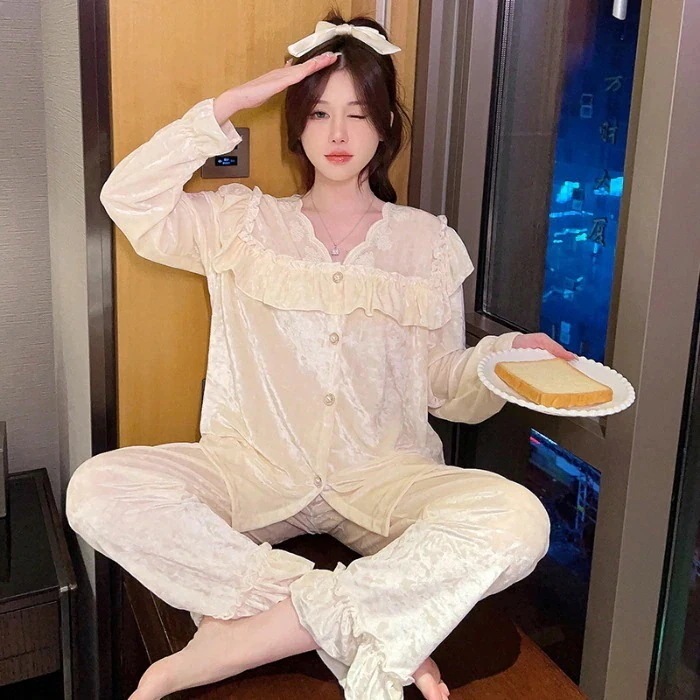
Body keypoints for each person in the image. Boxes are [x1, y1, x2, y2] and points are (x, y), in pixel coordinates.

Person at [67, 11, 574, 700]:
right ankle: (363, 624)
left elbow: (440, 386)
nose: (338, 134)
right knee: (97, 488)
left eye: (358, 114)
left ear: (384, 127)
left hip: (383, 477)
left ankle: (243, 636)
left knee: (519, 520)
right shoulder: (243, 223)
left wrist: (503, 358)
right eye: (319, 113)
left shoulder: (427, 243)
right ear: (297, 124)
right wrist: (232, 103)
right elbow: (127, 199)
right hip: (252, 467)